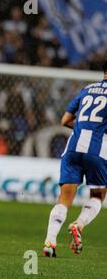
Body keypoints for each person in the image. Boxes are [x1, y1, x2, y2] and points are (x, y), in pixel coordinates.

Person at [43, 60, 107, 257]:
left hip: (72, 146)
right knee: (98, 195)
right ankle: (79, 224)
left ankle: (50, 241)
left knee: (64, 199)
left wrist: (84, 129)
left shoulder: (87, 89)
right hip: (98, 149)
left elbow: (65, 120)